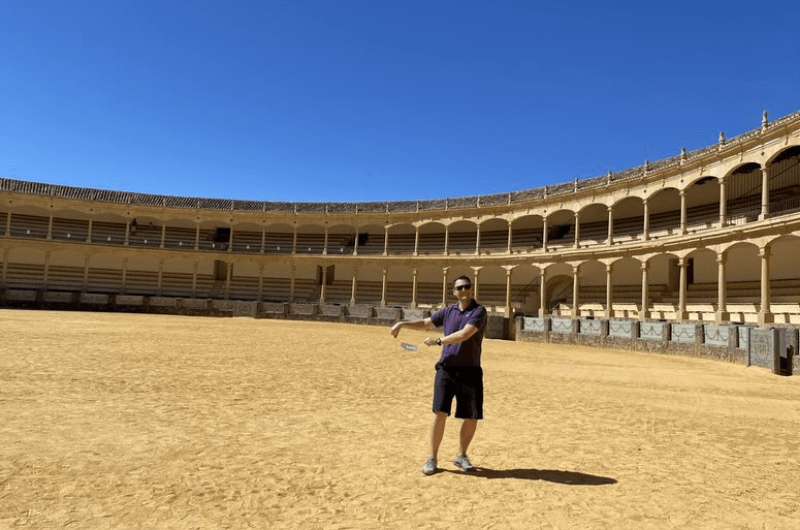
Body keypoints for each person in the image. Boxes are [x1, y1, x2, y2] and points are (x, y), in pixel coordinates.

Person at [390, 275, 488, 476]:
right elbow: (426, 323)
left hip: (470, 370)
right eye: (459, 288)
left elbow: (465, 334)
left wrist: (438, 341)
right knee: (440, 413)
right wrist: (403, 323)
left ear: (471, 290)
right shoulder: (448, 311)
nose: (463, 290)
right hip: (446, 369)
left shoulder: (479, 311)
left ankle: (461, 455)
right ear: (454, 292)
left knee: (471, 416)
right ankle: (432, 458)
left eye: (466, 287)